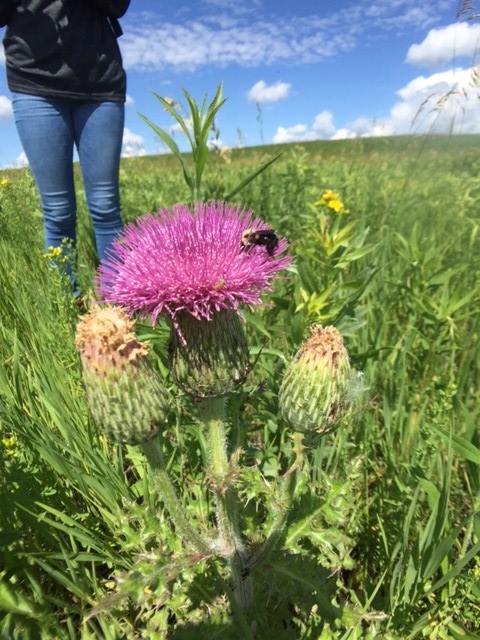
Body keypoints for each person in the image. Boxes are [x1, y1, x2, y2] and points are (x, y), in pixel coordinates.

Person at [0, 0, 130, 296]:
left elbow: (119, 5)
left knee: (106, 207)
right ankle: (68, 308)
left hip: (100, 81)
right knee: (57, 212)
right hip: (34, 81)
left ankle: (118, 308)